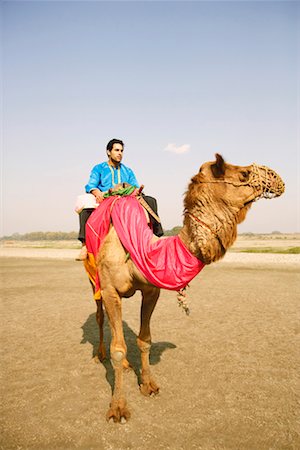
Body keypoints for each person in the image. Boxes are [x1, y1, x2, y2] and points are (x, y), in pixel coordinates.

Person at [76, 138, 163, 260]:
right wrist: (97, 192)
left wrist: (138, 191)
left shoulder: (127, 170)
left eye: (121, 151)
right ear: (108, 152)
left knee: (151, 200)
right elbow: (91, 185)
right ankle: (84, 245)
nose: (120, 153)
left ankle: (156, 238)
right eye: (116, 150)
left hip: (126, 198)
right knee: (85, 202)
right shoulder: (99, 168)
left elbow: (135, 186)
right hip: (106, 197)